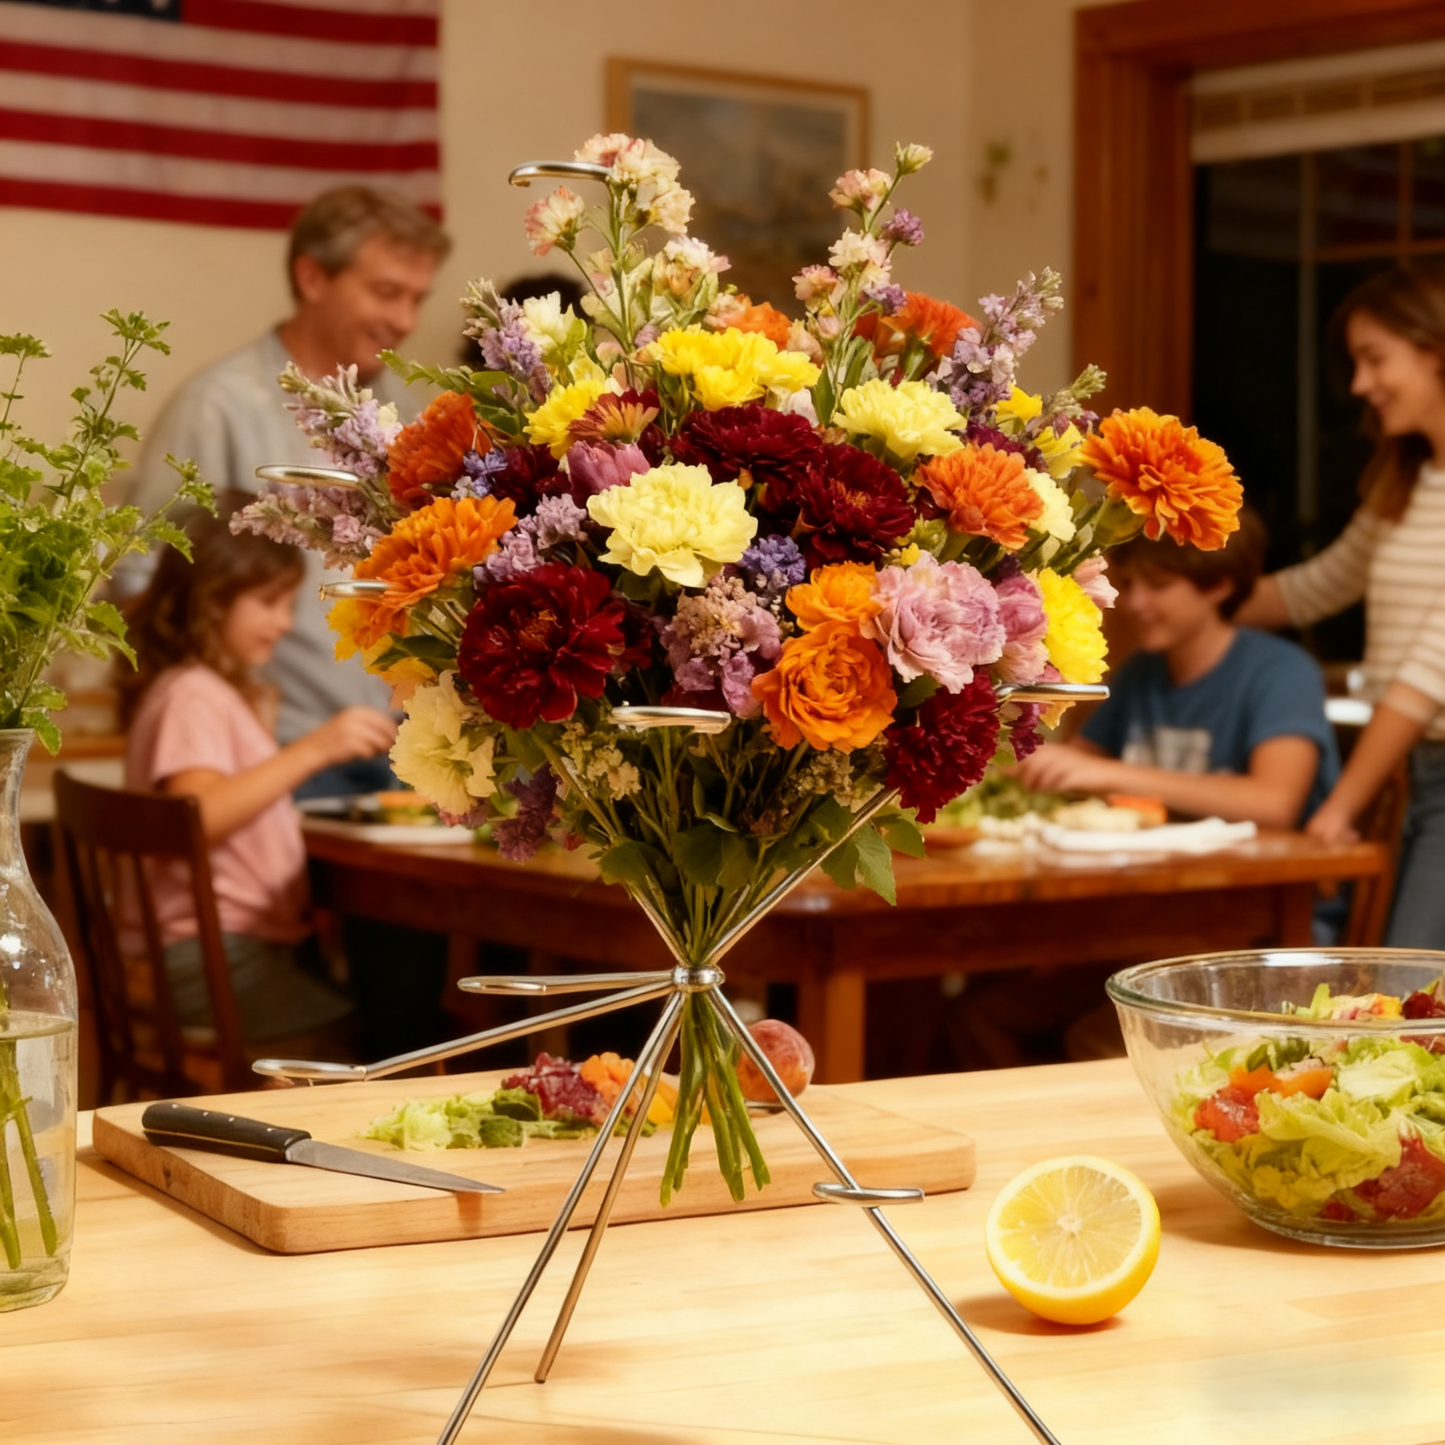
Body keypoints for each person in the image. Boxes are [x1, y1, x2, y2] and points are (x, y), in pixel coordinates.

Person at [118, 186, 451, 796]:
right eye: (385, 292)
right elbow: (140, 584)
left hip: (404, 748)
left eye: (417, 299)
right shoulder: (217, 408)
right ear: (312, 277)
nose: (405, 321)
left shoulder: (407, 411)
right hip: (267, 760)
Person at [119, 500, 398, 1046]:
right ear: (211, 599)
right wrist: (316, 748)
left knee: (375, 1008)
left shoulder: (195, 689)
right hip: (210, 956)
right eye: (269, 603)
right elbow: (198, 815)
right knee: (380, 1034)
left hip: (215, 951)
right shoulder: (191, 693)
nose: (284, 624)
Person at [1237, 260, 1445, 947]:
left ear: (1435, 347)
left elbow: (1428, 672)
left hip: (1424, 776)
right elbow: (1312, 589)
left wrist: (1341, 805)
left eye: (1375, 359)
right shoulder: (1405, 481)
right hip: (1413, 780)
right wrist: (1190, 597)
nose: (1359, 384)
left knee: (1411, 991)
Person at [1017, 508, 1340, 829]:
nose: (1135, 602)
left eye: (1159, 585)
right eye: (1128, 584)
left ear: (1219, 586)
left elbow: (1274, 805)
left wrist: (1115, 775)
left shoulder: (1283, 672)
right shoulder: (1141, 670)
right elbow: (1075, 764)